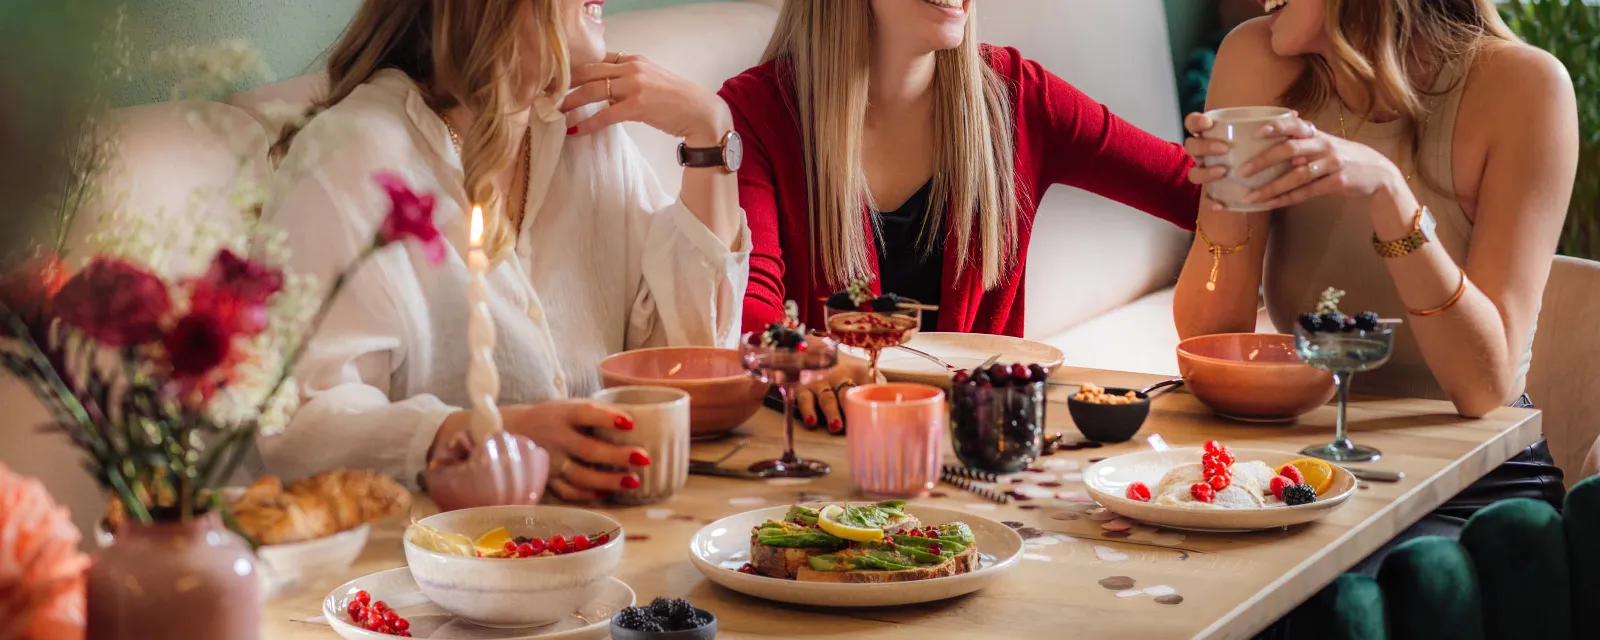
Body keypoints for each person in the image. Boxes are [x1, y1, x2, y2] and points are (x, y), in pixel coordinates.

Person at [260, 0, 749, 503]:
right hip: (432, 559)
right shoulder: (352, 153)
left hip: (605, 539)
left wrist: (710, 135)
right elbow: (296, 424)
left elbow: (689, 366)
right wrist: (482, 435)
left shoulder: (583, 127)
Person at [1178, 0, 1575, 574]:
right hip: (1308, 465)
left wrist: (1391, 196)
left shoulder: (1526, 87)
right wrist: (1223, 200)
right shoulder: (1257, 56)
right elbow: (1209, 337)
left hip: (1472, 483)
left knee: (1316, 597)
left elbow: (1482, 387)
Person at [719, 0, 1202, 432]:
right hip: (824, 447)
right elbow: (746, 299)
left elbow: (1193, 191)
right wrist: (806, 356)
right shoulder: (756, 111)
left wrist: (1262, 154)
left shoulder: (1017, 97)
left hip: (981, 452)